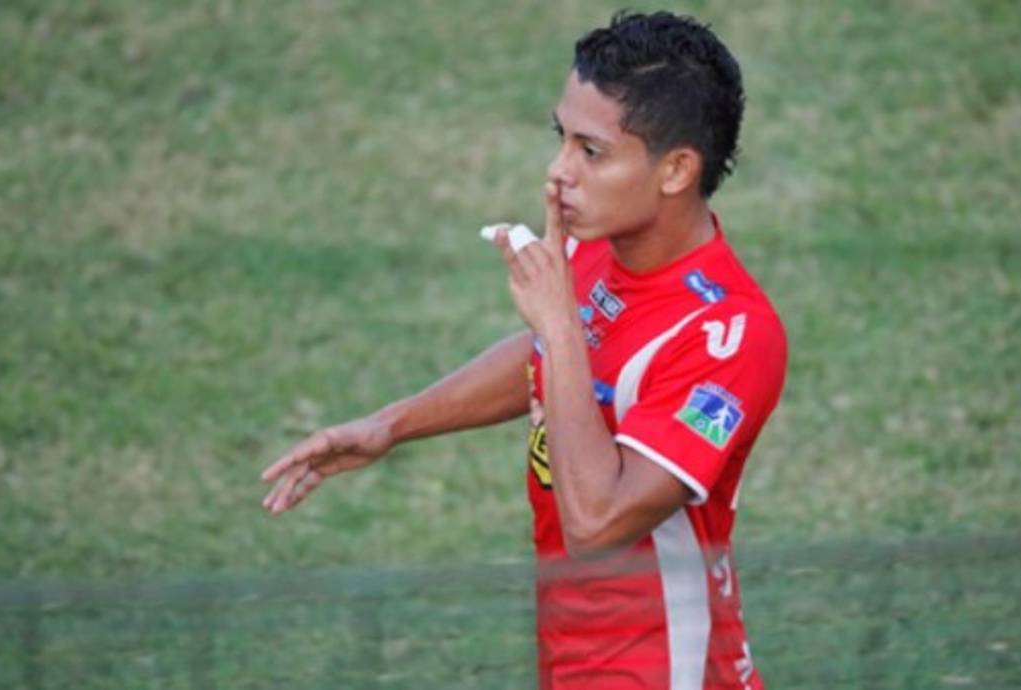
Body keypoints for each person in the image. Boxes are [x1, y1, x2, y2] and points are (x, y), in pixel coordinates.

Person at [261, 11, 786, 689]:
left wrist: (560, 326)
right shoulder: (595, 245)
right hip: (575, 655)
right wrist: (392, 424)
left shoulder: (730, 338)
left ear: (676, 169)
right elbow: (555, 358)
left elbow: (598, 524)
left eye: (590, 152)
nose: (557, 173)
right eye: (560, 138)